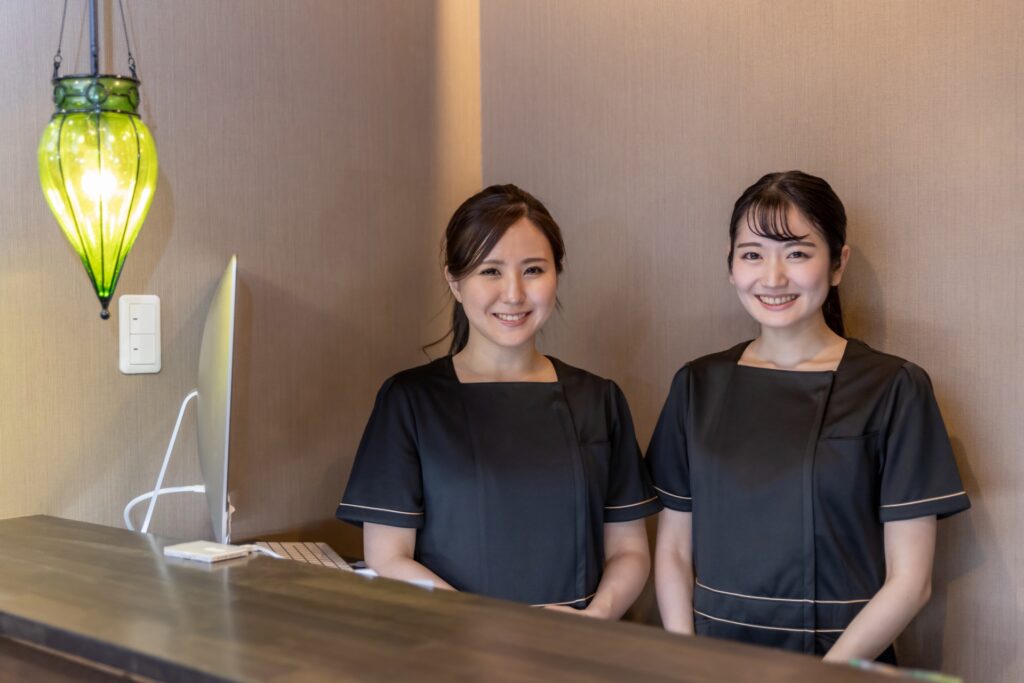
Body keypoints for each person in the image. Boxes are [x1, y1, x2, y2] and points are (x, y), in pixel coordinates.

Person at [647, 171, 970, 662]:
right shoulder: (697, 385)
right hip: (713, 661)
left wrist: (821, 677)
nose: (773, 277)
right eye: (752, 255)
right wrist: (687, 659)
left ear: (838, 263)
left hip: (841, 664)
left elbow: (911, 582)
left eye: (797, 253)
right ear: (730, 265)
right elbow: (673, 550)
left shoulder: (893, 388)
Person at [337, 184, 661, 617]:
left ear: (557, 274)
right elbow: (387, 556)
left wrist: (593, 621)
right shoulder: (410, 401)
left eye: (533, 270)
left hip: (576, 642)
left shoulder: (599, 399)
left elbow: (629, 551)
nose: (513, 294)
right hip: (452, 641)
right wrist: (484, 627)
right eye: (490, 271)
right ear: (455, 281)